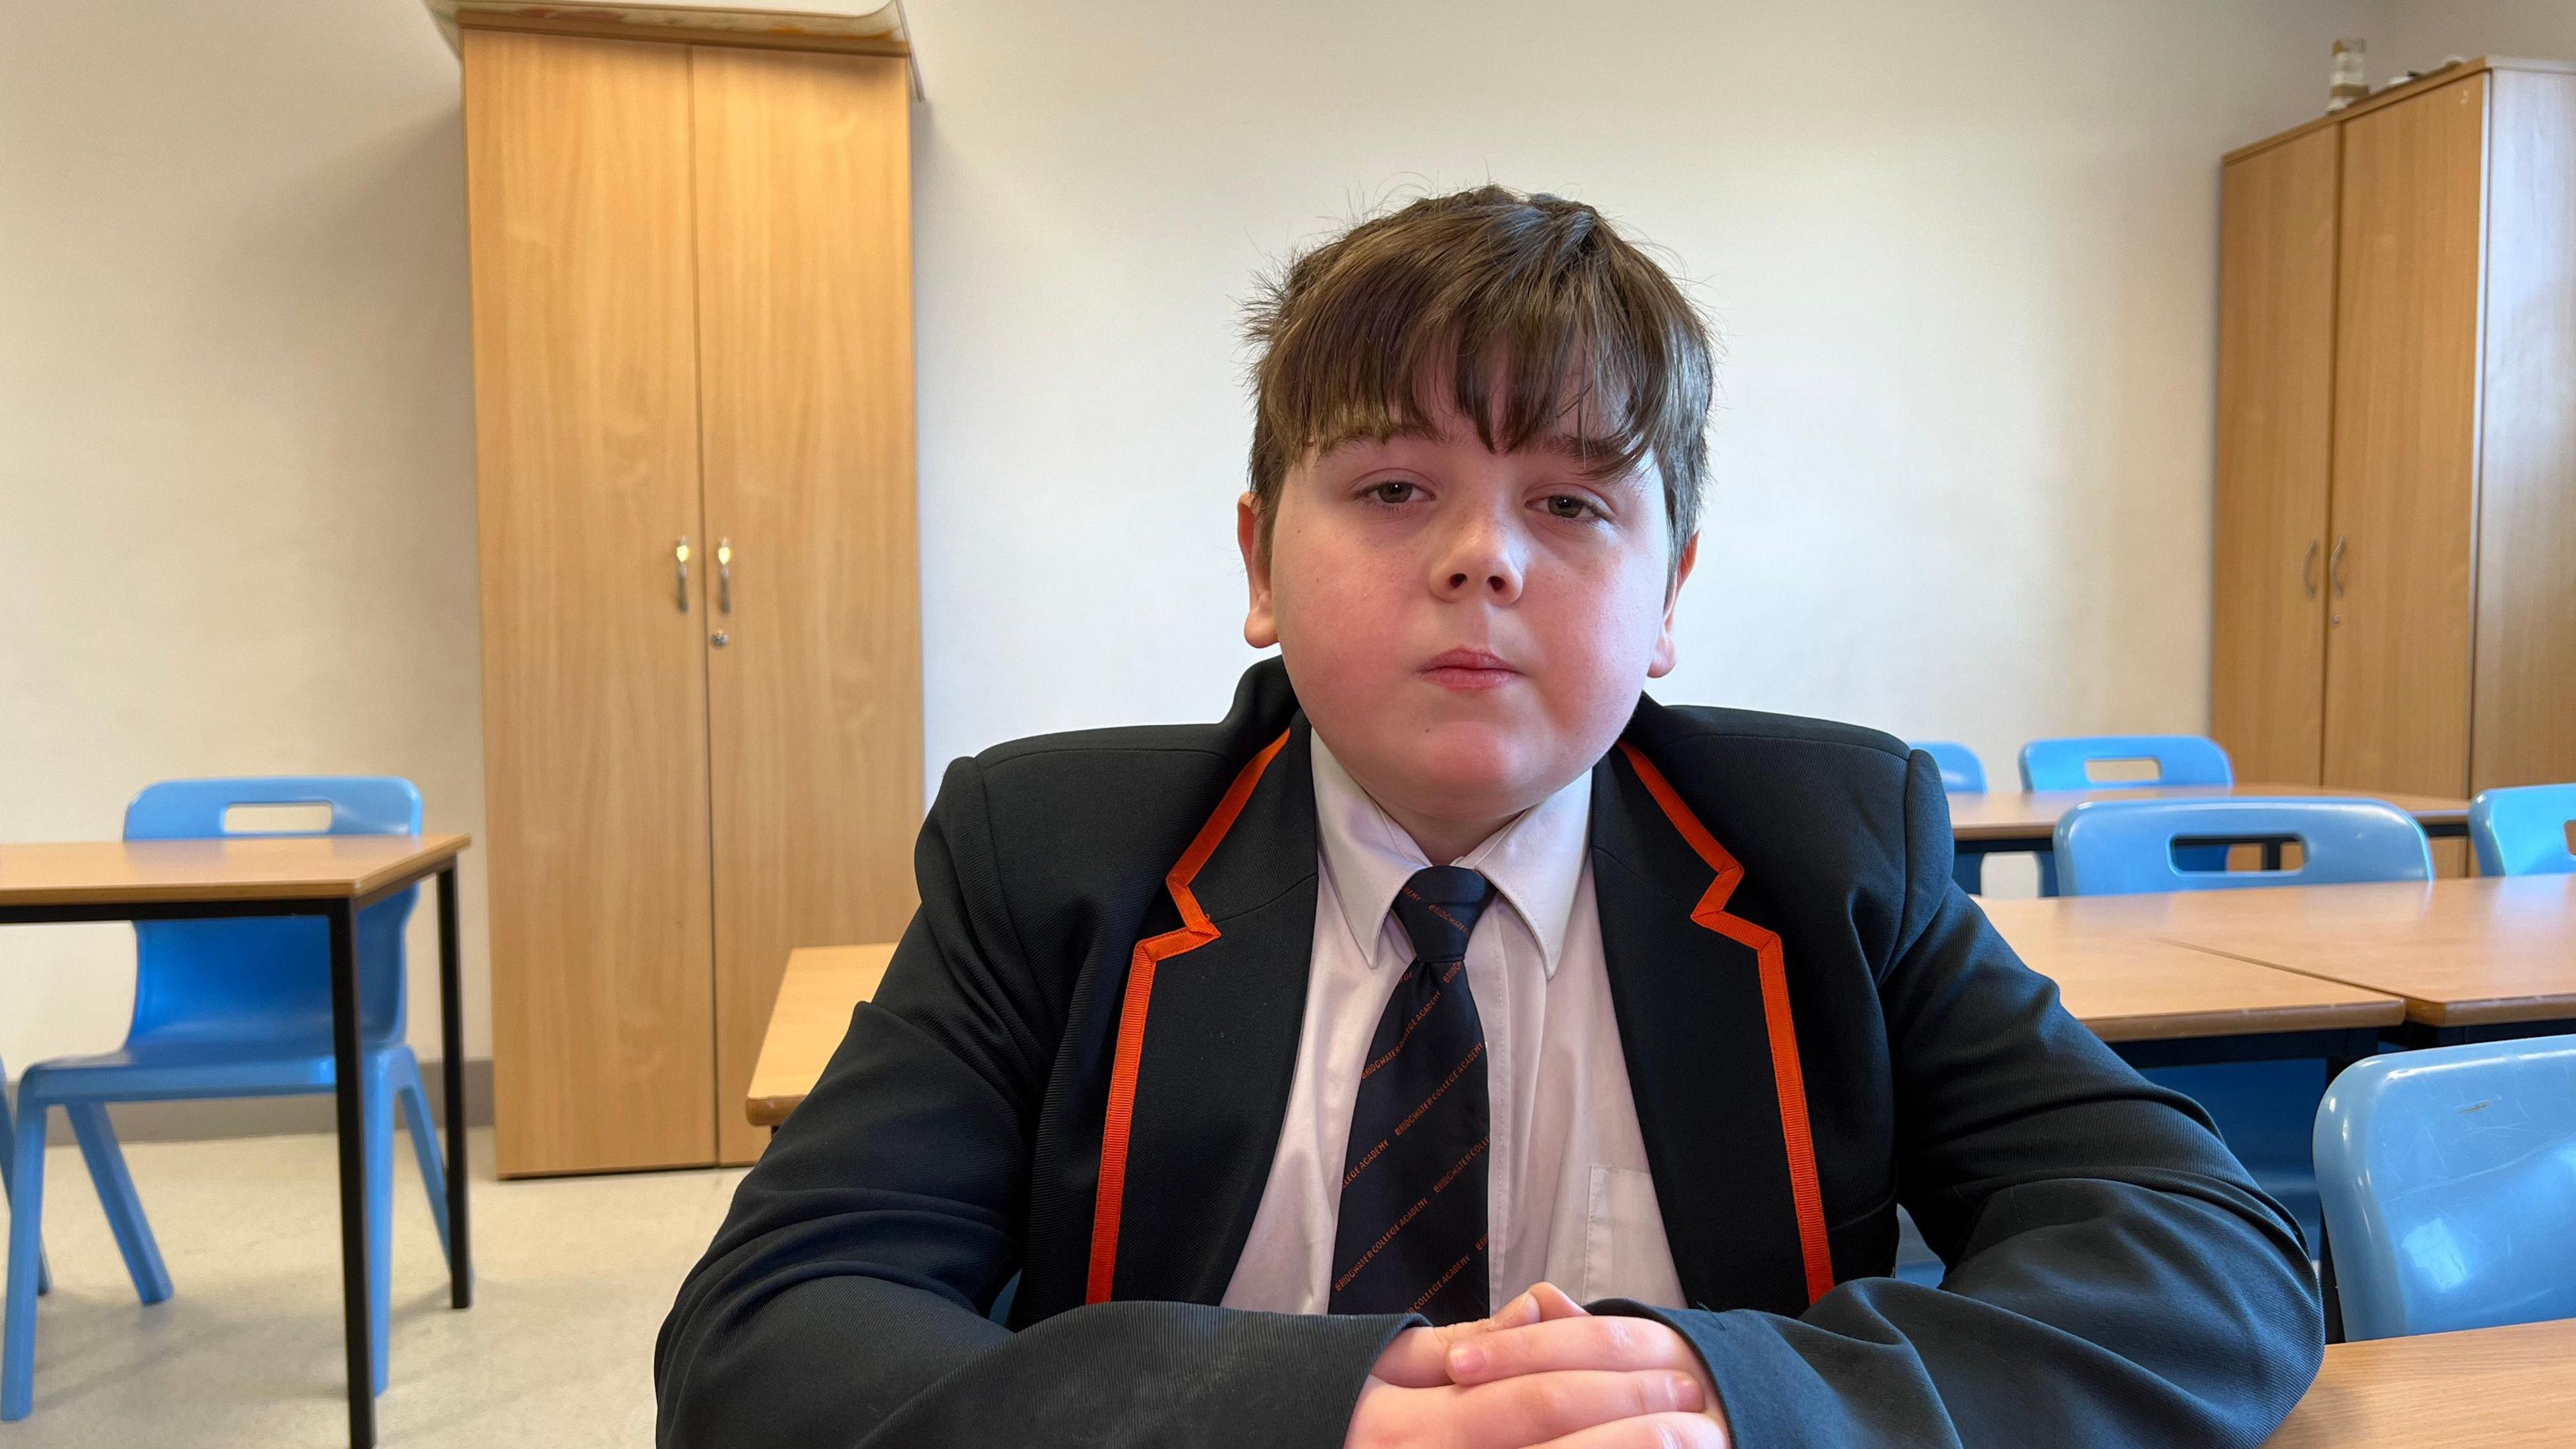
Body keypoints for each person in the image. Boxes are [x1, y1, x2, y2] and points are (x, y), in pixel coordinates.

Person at [655, 186, 2323, 1448]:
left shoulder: (1828, 847)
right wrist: (1309, 1416)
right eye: (1394, 489)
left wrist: (1743, 1391)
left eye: (1573, 504)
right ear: (1257, 563)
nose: (1483, 558)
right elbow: (770, 1335)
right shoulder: (1056, 855)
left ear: (1667, 599)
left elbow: (2208, 1256)